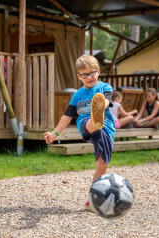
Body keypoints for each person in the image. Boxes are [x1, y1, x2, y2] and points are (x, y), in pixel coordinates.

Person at [43, 55, 115, 211]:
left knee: (102, 166)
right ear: (79, 77)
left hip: (107, 130)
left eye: (92, 73)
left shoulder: (105, 87)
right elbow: (67, 116)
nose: (89, 77)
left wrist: (102, 105)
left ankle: (92, 201)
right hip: (85, 124)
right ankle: (94, 121)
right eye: (84, 74)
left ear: (98, 71)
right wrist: (55, 134)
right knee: (88, 122)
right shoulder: (78, 95)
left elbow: (108, 100)